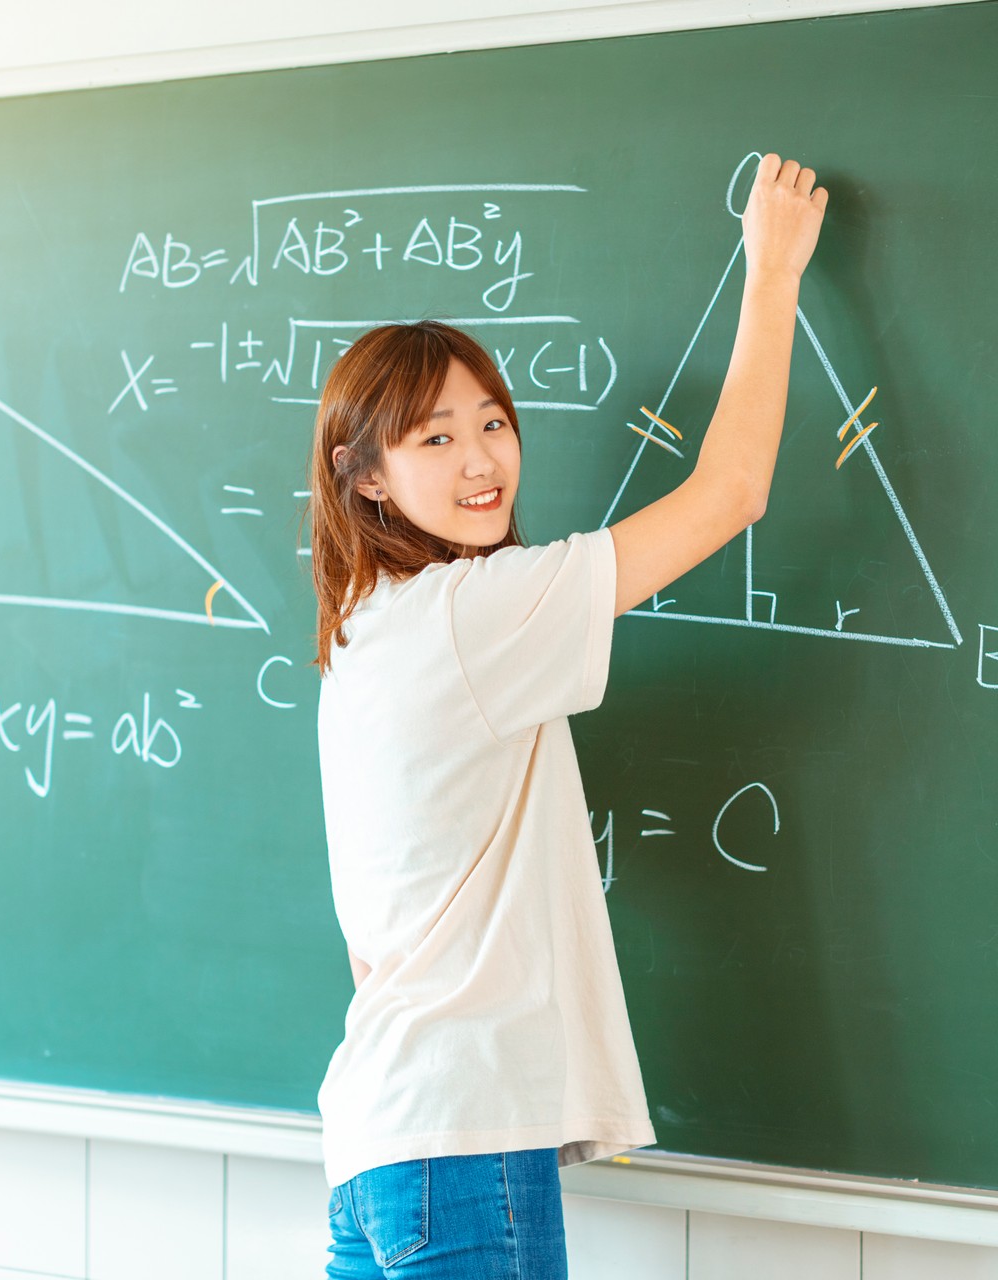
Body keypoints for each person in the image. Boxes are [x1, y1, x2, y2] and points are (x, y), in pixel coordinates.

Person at [306, 152, 827, 1278]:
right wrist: (774, 270)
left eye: (491, 422)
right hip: (463, 1135)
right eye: (433, 438)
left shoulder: (367, 625)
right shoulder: (468, 613)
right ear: (369, 477)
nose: (481, 458)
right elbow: (730, 494)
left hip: (384, 1141)